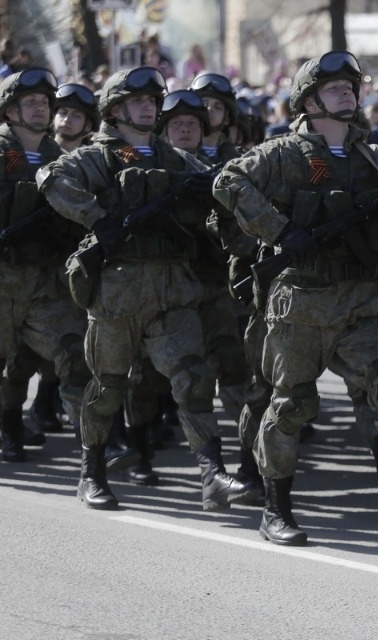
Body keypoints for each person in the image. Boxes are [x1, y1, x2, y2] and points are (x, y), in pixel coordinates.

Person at [212, 52, 378, 547]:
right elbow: (228, 182)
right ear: (309, 100)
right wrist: (280, 231)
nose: (348, 91)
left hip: (363, 299)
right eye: (335, 86)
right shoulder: (284, 154)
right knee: (292, 405)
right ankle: (276, 506)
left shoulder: (374, 158)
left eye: (351, 85)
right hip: (299, 299)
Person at [37, 66, 257, 511]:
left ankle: (212, 474)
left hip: (174, 289)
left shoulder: (170, 156)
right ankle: (92, 472)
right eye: (139, 101)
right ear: (115, 110)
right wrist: (98, 219)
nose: (149, 107)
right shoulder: (99, 156)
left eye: (152, 101)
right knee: (108, 385)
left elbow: (218, 188)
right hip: (117, 291)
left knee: (194, 378)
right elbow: (52, 179)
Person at [0, 68, 91, 463]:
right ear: (10, 109)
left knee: (74, 353)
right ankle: (9, 427)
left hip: (46, 282)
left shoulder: (61, 159)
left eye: (43, 102)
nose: (40, 108)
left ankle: (94, 449)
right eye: (30, 102)